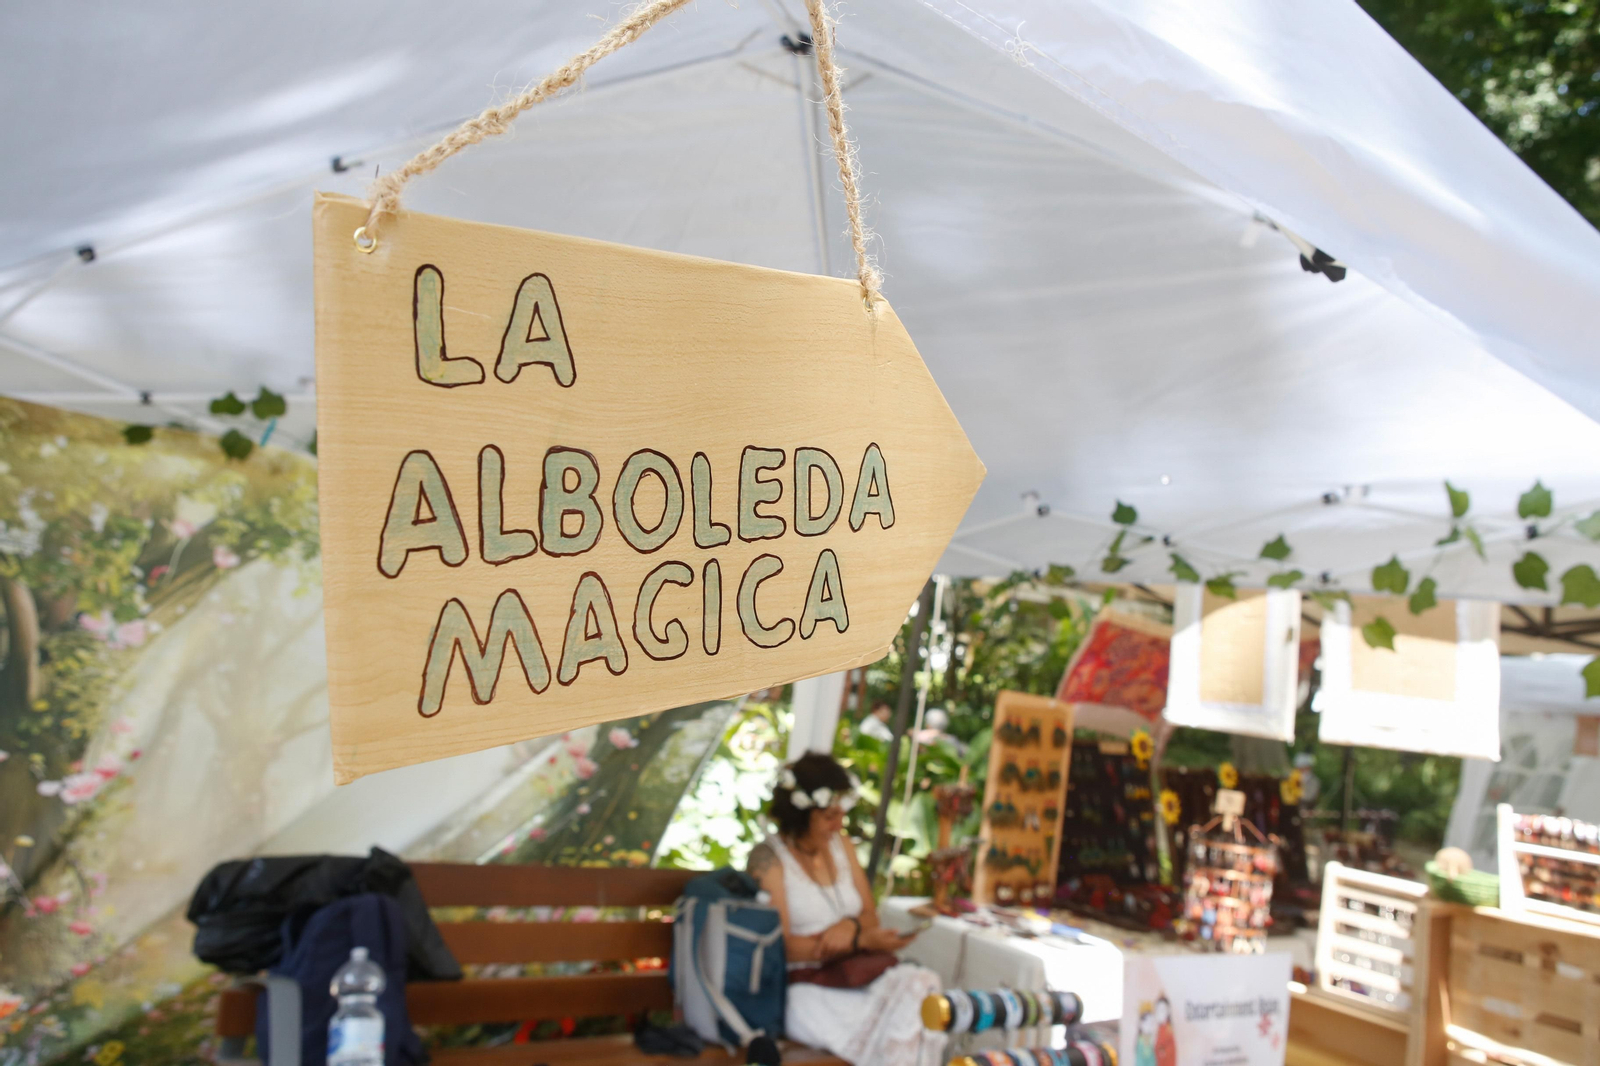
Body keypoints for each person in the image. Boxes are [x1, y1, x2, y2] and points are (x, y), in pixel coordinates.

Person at [747, 753, 944, 1066]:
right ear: (802, 814)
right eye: (828, 816)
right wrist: (859, 941)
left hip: (855, 974)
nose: (838, 824)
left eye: (841, 814)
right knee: (901, 1024)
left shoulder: (841, 845)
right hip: (803, 989)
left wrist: (850, 927)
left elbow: (870, 916)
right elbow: (779, 947)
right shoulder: (769, 859)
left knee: (923, 984)